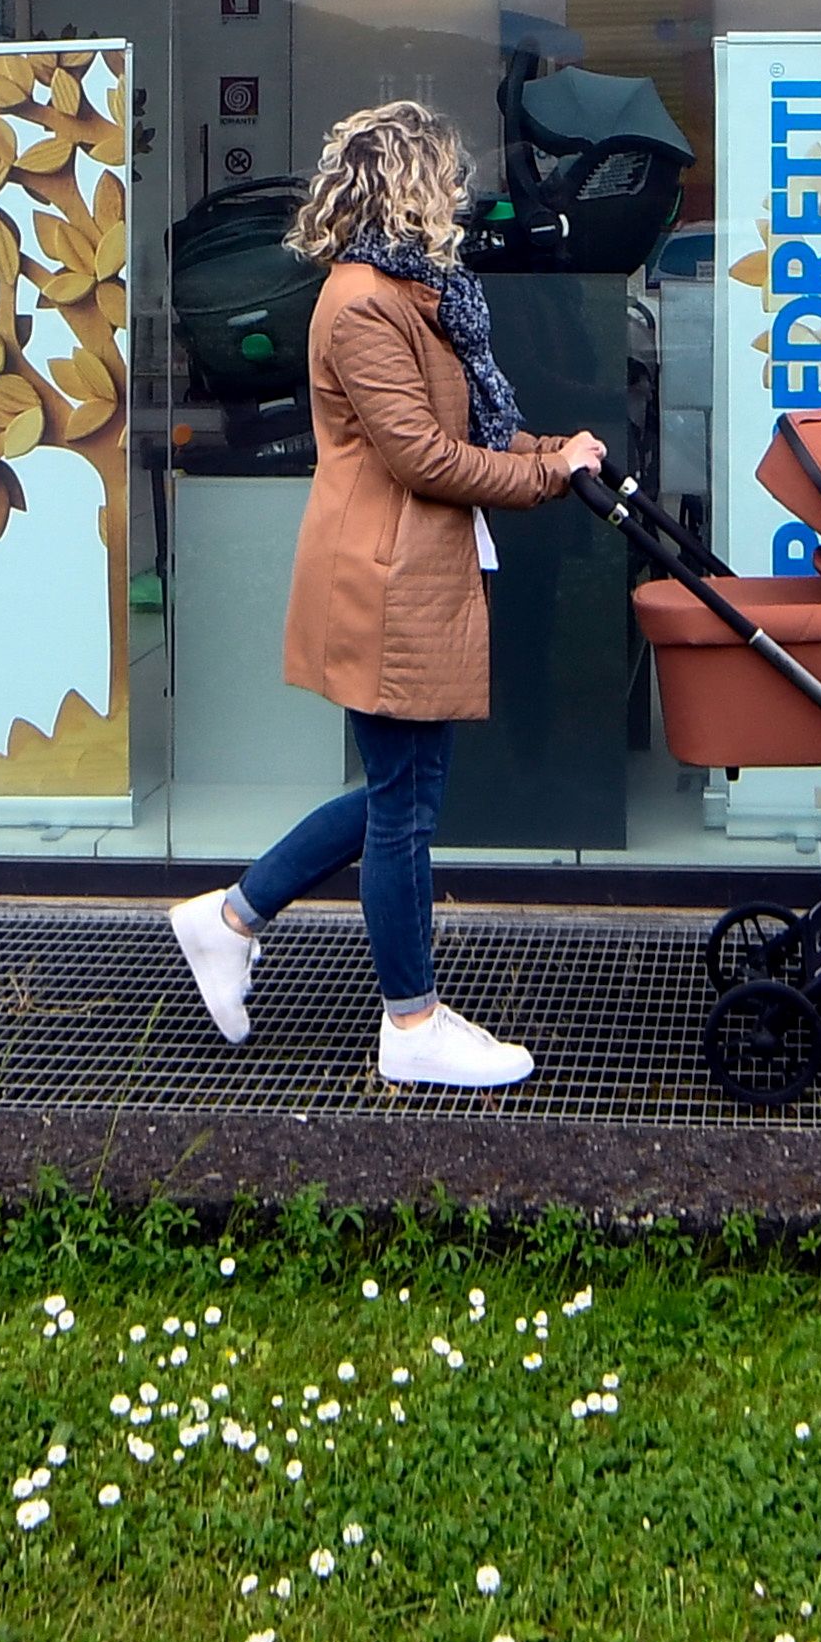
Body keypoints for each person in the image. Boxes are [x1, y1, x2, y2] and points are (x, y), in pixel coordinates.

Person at [166, 100, 604, 1089]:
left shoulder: (420, 293)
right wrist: (542, 475)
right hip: (390, 573)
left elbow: (473, 432)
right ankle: (409, 1024)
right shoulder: (364, 302)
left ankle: (230, 917)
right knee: (404, 809)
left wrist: (551, 449)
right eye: (441, 175)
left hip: (414, 566)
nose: (454, 193)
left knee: (400, 796)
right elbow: (419, 457)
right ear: (407, 186)